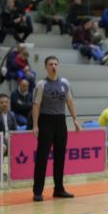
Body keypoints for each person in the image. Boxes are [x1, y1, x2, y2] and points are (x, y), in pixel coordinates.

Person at [32, 56, 81, 202]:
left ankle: (59, 189)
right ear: (45, 67)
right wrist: (35, 125)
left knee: (60, 157)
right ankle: (37, 191)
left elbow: (70, 101)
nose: (53, 66)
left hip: (61, 121)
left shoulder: (65, 83)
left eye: (55, 64)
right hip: (46, 121)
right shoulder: (41, 85)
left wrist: (75, 119)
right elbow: (36, 105)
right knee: (42, 158)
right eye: (50, 64)